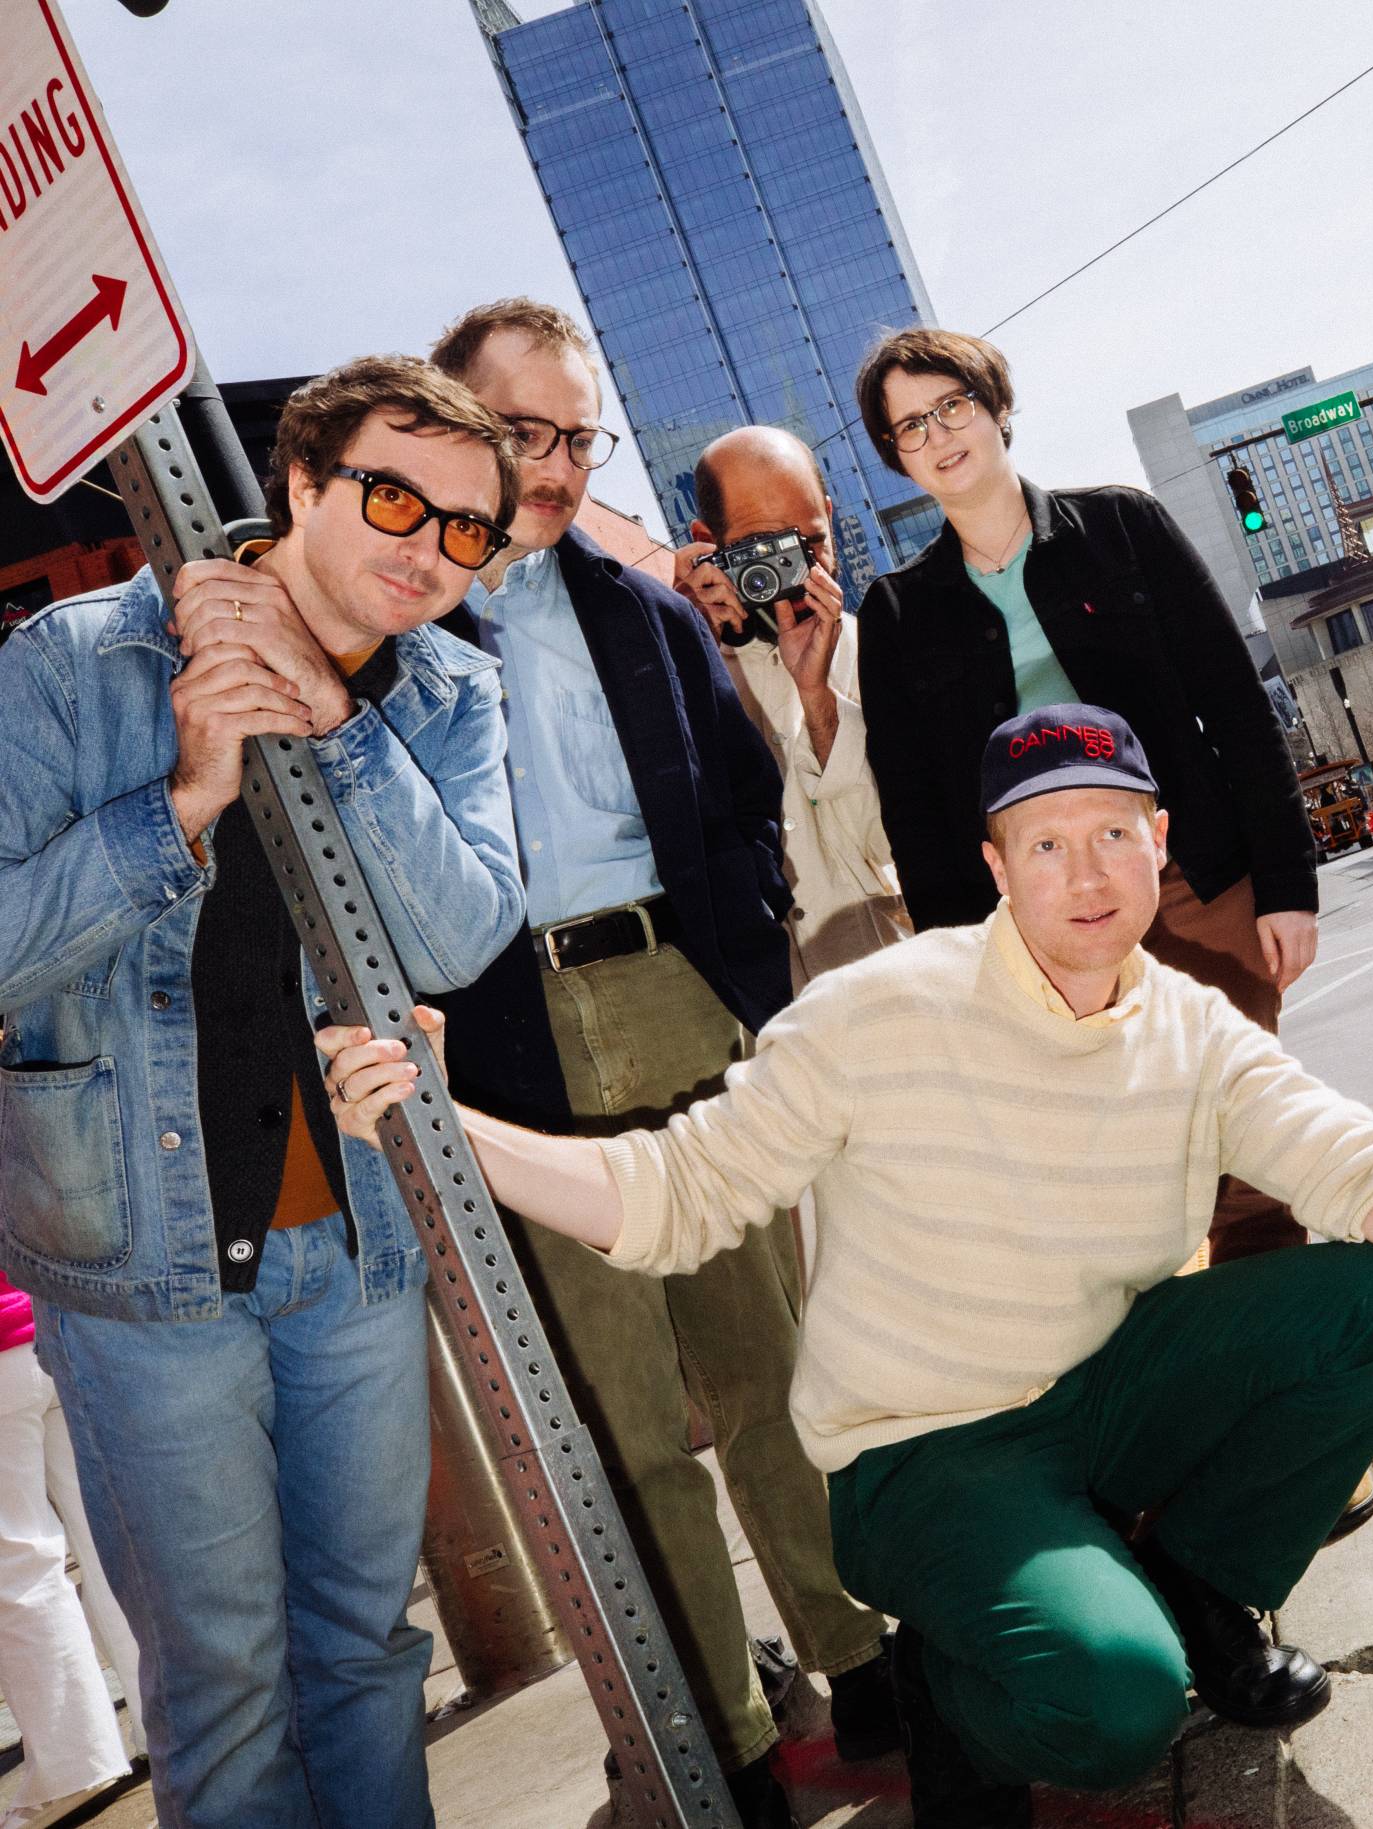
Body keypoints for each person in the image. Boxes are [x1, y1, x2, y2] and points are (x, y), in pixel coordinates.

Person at [315, 702, 1373, 1829]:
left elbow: (1370, 1166)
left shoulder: (1191, 1031)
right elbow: (671, 1191)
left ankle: (1197, 1584)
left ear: (1158, 842)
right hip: (925, 1455)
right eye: (1048, 840)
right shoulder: (880, 1010)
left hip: (1098, 1397)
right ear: (997, 865)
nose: (1088, 869)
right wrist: (445, 1120)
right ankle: (960, 1679)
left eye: (1116, 829)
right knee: (1113, 1710)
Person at [0, 355, 527, 1829]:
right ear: (298, 482)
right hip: (135, 1254)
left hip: (353, 1241)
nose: (428, 546)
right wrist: (179, 804)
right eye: (392, 496)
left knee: (365, 1652)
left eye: (468, 528)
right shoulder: (72, 663)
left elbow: (462, 933)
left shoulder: (445, 689)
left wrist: (336, 732)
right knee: (223, 1684)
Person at [426, 300, 890, 1825]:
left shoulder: (646, 610)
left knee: (768, 1367)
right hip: (514, 1052)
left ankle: (858, 1652)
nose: (557, 467)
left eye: (579, 436)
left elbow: (749, 793)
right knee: (629, 1428)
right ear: (458, 424)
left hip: (685, 1005)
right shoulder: (401, 626)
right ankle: (731, 1733)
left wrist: (744, 954)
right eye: (528, 433)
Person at [851, 328, 1317, 1270]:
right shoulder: (899, 616)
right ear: (895, 457)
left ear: (996, 409)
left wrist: (1286, 883)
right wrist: (967, 985)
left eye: (952, 406)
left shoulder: (1125, 528)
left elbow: (1235, 703)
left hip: (1190, 876)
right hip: (1042, 925)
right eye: (909, 427)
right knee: (1112, 1174)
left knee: (1249, 1150)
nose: (939, 435)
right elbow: (921, 821)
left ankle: (1286, 1381)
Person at [674, 426, 907, 986]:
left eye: (809, 542)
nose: (793, 574)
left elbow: (891, 845)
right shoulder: (681, 659)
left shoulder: (887, 647)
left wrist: (818, 697)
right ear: (709, 541)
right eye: (764, 549)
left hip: (885, 978)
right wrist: (682, 649)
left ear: (829, 514)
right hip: (753, 1008)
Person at [0, 1268, 144, 1829]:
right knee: (111, 1541)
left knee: (19, 1564)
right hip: (57, 1323)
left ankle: (73, 1766)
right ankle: (165, 1722)